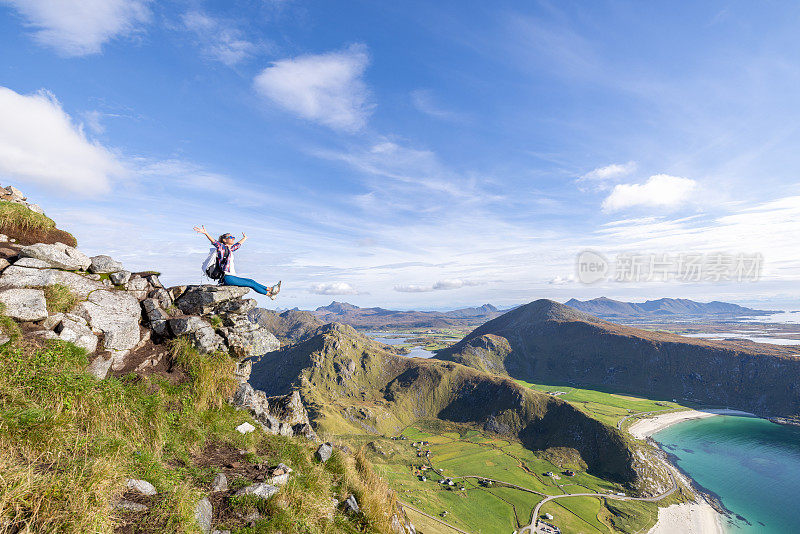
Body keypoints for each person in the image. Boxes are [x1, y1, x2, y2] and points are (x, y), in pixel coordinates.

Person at [193, 225, 281, 299]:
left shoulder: (229, 250)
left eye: (233, 237)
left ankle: (270, 289)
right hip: (227, 278)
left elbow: (237, 245)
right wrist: (206, 233)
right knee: (251, 284)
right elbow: (215, 242)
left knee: (251, 281)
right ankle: (270, 294)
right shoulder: (222, 248)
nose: (232, 238)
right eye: (230, 237)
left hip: (230, 277)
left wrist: (245, 238)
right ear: (224, 240)